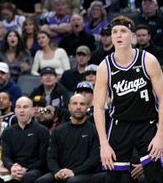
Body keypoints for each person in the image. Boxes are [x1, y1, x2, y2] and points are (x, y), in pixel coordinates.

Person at [93, 16, 163, 183]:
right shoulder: (105, 66)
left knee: (156, 176)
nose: (118, 35)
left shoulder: (148, 60)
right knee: (113, 178)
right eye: (115, 32)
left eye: (123, 31)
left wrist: (160, 135)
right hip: (119, 125)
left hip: (148, 124)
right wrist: (103, 143)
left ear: (132, 36)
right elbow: (98, 107)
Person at [36, 94, 103, 183]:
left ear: (87, 107)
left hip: (86, 174)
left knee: (73, 181)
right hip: (62, 172)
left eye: (82, 104)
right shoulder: (58, 131)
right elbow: (51, 157)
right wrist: (57, 172)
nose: (78, 107)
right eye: (75, 104)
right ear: (69, 107)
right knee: (42, 181)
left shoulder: (95, 130)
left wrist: (74, 172)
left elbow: (93, 160)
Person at [0, 96, 49, 183]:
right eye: (18, 107)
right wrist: (12, 167)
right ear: (15, 111)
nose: (21, 110)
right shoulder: (8, 132)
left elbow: (43, 159)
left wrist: (25, 169)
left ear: (32, 111)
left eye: (25, 107)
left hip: (34, 169)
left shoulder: (42, 130)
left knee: (29, 177)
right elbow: (6, 156)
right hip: (13, 169)